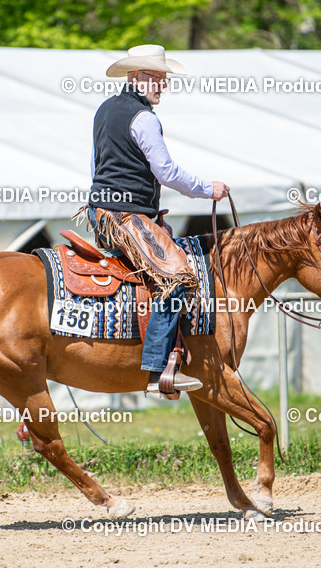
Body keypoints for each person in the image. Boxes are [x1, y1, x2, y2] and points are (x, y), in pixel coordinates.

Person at [83, 44, 229, 395]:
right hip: (125, 216)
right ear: (135, 76)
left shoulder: (104, 110)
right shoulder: (144, 118)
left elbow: (96, 167)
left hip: (103, 212)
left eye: (164, 79)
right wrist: (207, 189)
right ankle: (156, 370)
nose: (162, 85)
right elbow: (165, 171)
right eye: (156, 78)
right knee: (176, 277)